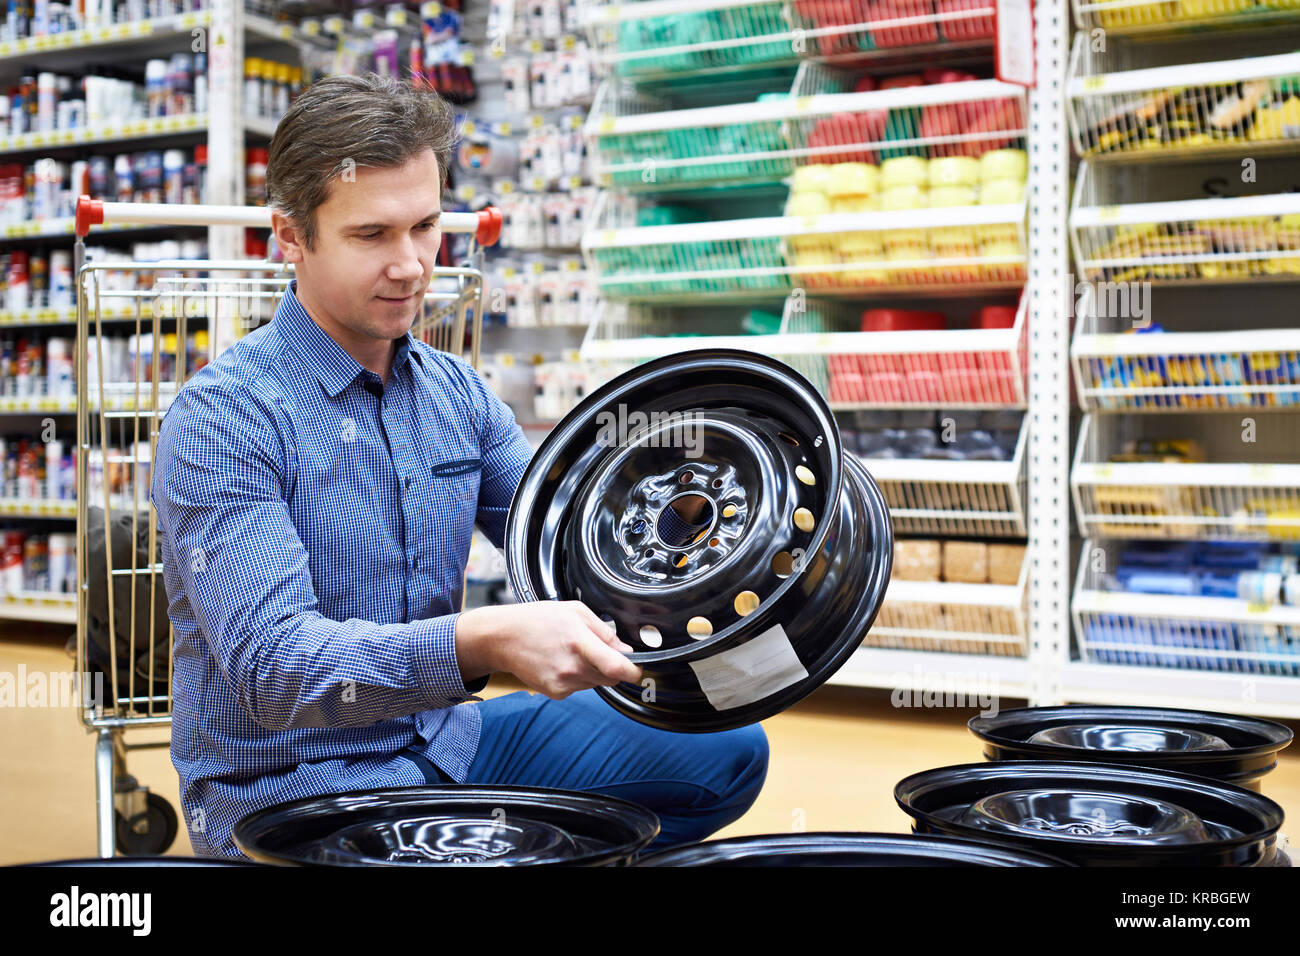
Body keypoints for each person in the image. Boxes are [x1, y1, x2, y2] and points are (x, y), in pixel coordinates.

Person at [150, 73, 768, 859]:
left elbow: (574, 528)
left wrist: (688, 505)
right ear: (291, 235)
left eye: (425, 226)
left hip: (448, 743)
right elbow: (276, 673)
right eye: (372, 236)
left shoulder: (454, 393)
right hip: (291, 786)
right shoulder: (225, 418)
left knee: (727, 751)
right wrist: (477, 643)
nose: (411, 266)